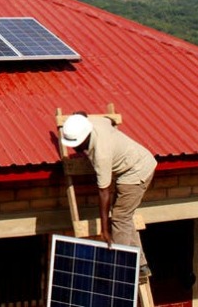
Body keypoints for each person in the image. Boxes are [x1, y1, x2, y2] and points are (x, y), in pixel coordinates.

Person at [60, 112, 157, 279]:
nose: (73, 148)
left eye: (75, 143)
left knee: (119, 218)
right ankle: (140, 265)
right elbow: (109, 120)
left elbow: (104, 192)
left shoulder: (101, 154)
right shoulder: (93, 122)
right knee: (125, 216)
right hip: (135, 164)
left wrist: (105, 230)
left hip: (136, 170)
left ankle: (120, 269)